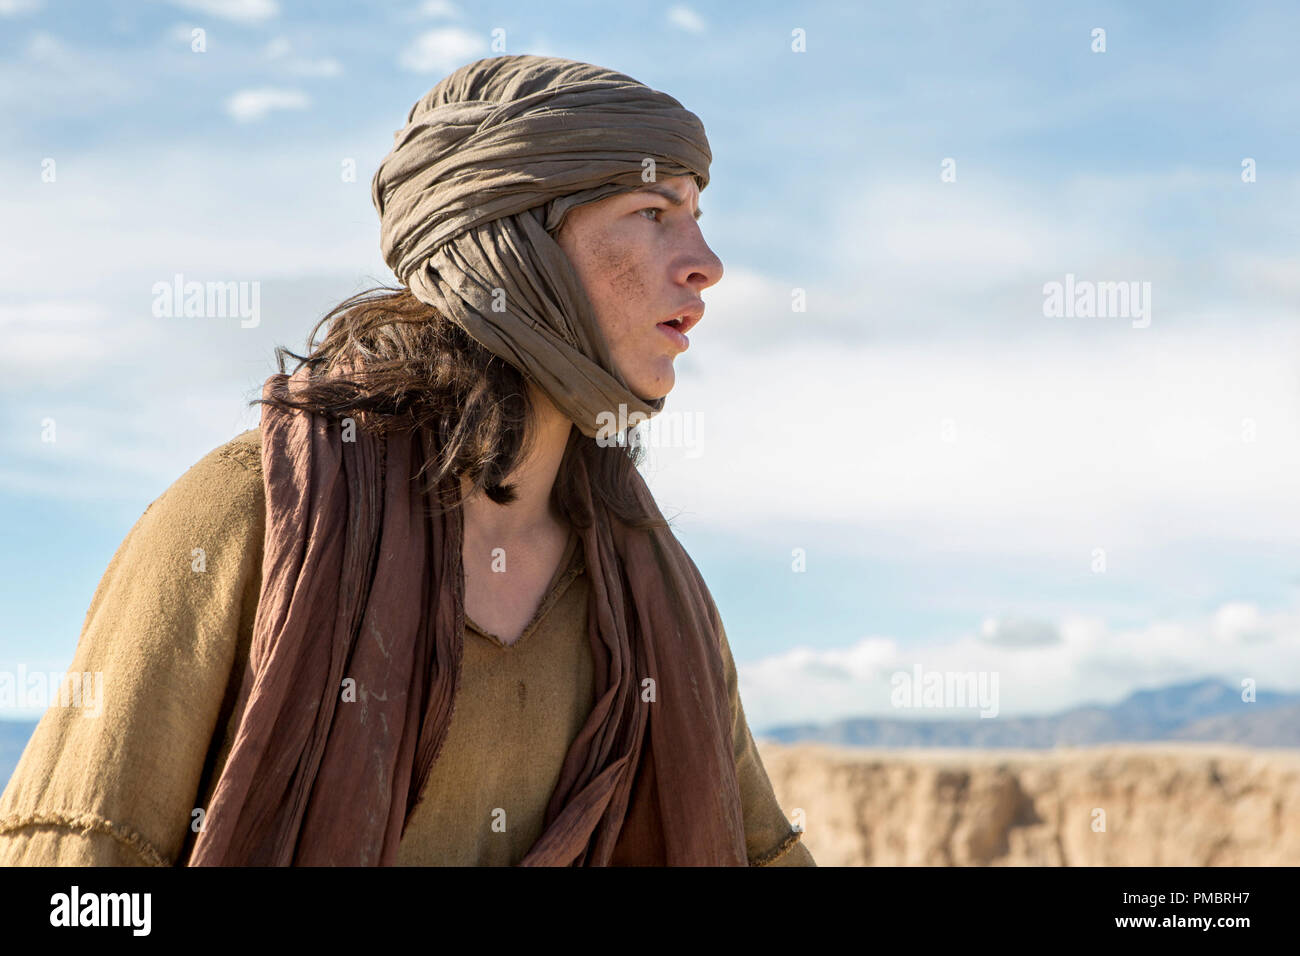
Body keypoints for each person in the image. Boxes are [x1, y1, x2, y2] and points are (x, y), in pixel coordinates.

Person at [0, 54, 814, 867]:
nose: (707, 261)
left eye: (698, 213)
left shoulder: (648, 582)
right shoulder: (252, 515)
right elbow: (82, 861)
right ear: (512, 246)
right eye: (652, 211)